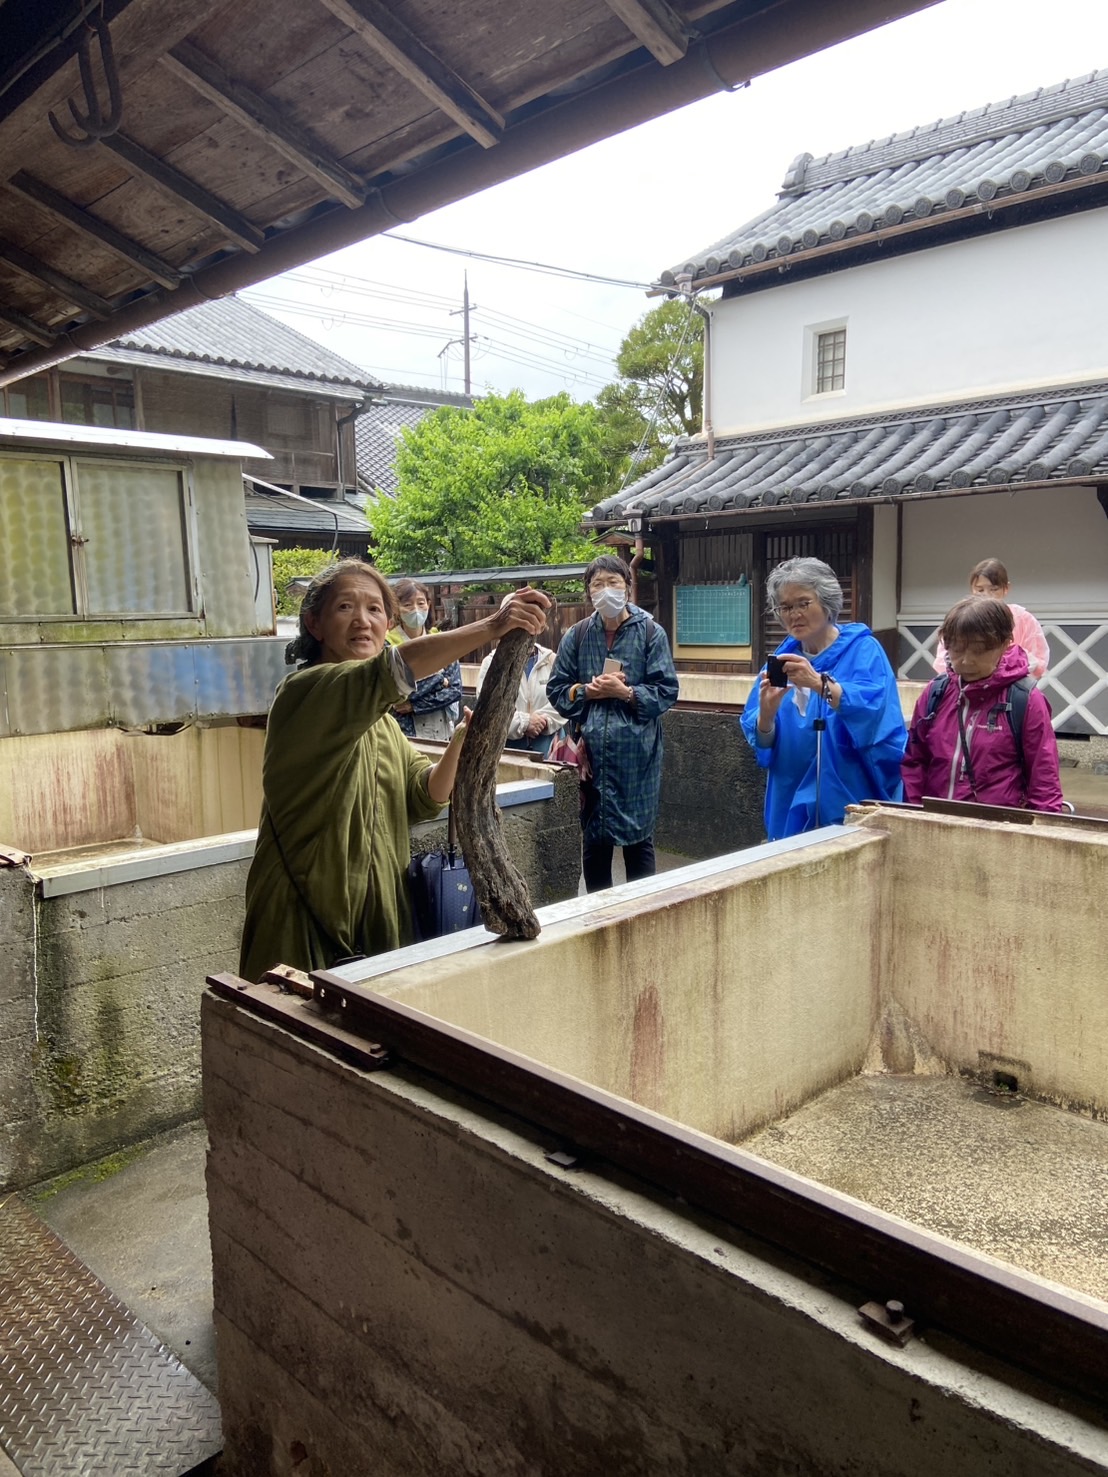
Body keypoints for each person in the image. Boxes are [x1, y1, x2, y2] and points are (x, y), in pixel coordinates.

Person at [239, 559, 549, 981]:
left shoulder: (382, 722)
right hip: (301, 921)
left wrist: (460, 741)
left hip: (380, 916)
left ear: (388, 624)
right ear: (315, 623)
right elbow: (394, 670)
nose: (362, 621)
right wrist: (493, 626)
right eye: (345, 608)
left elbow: (426, 796)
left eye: (374, 610)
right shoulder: (303, 694)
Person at [740, 556, 907, 840]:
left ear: (826, 602)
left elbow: (876, 714)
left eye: (803, 603)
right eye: (785, 607)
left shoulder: (863, 650)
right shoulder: (781, 661)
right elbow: (761, 740)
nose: (794, 614)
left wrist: (819, 684)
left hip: (847, 790)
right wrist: (766, 715)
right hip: (789, 792)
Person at [547, 554, 678, 892]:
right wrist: (585, 692)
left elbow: (666, 691)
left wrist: (627, 693)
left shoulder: (650, 632)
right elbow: (556, 689)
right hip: (591, 760)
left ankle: (640, 913)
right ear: (588, 593)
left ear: (628, 588)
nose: (606, 591)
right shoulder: (576, 635)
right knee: (594, 844)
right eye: (597, 585)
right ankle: (599, 918)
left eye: (613, 583)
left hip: (638, 759)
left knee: (638, 843)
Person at [903, 596, 1063, 811]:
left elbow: (1044, 780)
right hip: (934, 823)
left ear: (1005, 644)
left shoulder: (1024, 699)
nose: (966, 660)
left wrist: (1040, 832)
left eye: (979, 650)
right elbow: (915, 762)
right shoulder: (935, 692)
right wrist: (913, 814)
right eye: (957, 649)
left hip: (998, 831)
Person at [933, 558, 1048, 680]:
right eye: (980, 590)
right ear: (972, 589)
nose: (986, 595)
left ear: (1006, 588)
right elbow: (943, 661)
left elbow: (1038, 663)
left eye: (994, 589)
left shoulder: (1023, 619)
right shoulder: (961, 617)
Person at [386, 578, 463, 742]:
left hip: (441, 731)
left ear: (428, 604)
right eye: (407, 605)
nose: (415, 610)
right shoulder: (387, 646)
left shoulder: (441, 641)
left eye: (420, 603)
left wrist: (415, 706)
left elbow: (455, 690)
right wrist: (439, 680)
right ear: (396, 609)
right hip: (406, 732)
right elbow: (397, 695)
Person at [475, 629, 565, 756]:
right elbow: (488, 710)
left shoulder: (551, 660)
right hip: (507, 751)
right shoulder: (491, 663)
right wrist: (524, 723)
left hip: (549, 750)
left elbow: (563, 700)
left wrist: (543, 721)